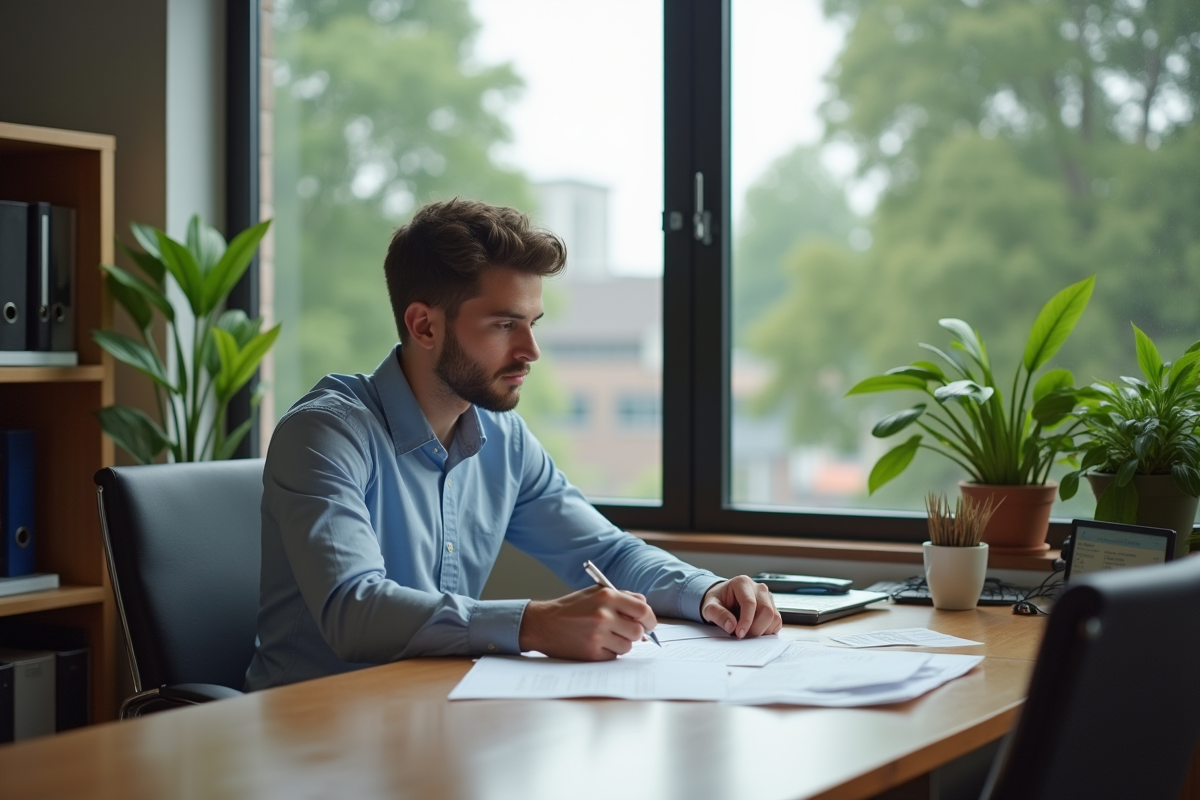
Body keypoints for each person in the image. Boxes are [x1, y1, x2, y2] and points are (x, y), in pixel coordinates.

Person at [245, 198, 781, 691]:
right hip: (307, 726)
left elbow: (605, 552)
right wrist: (533, 623)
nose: (531, 350)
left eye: (532, 323)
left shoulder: (503, 439)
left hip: (433, 710)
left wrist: (706, 592)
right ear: (424, 326)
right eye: (505, 324)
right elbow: (353, 609)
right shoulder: (325, 435)